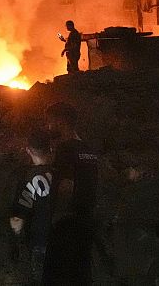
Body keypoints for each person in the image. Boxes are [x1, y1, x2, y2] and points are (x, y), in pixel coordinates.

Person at [44, 102, 99, 285]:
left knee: (58, 276)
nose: (48, 126)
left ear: (60, 121)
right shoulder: (89, 150)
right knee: (80, 276)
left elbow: (66, 186)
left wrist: (55, 218)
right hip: (87, 223)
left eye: (50, 121)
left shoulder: (65, 149)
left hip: (67, 224)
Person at [10, 129, 55, 285]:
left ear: (28, 150)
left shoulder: (29, 179)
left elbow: (18, 220)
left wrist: (15, 242)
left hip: (41, 242)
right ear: (50, 149)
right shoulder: (61, 174)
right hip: (64, 239)